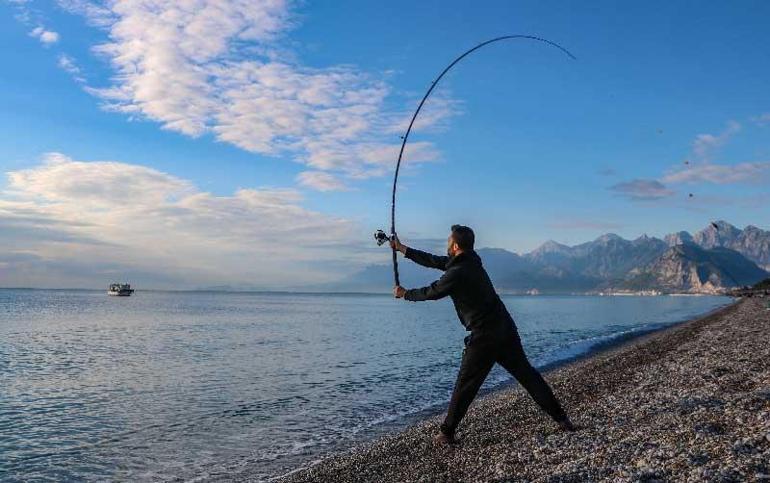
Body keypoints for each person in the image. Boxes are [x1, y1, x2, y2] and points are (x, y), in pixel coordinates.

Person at [391, 225, 575, 444]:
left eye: (449, 241)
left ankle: (447, 433)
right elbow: (434, 261)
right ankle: (562, 420)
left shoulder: (457, 272)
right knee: (527, 375)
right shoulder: (470, 262)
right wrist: (403, 249)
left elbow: (433, 292)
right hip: (505, 328)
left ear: (456, 245)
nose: (447, 244)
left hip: (484, 335)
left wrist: (405, 294)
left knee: (466, 384)